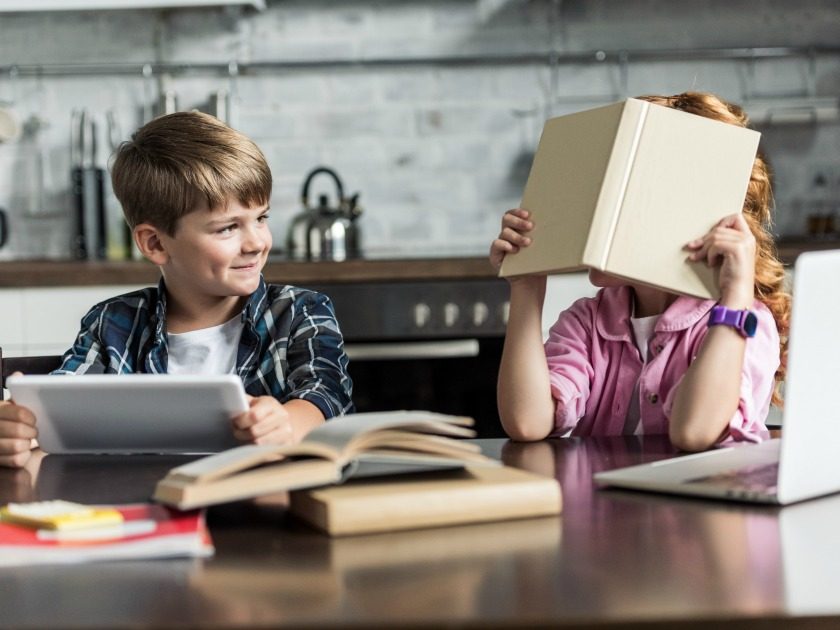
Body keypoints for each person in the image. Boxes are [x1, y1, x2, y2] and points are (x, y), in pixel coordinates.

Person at [0, 111, 353, 468]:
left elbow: (324, 393)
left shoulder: (299, 312)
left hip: (263, 510)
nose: (257, 243)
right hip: (139, 507)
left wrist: (285, 424)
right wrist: (20, 432)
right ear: (155, 243)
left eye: (261, 218)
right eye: (228, 228)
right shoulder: (112, 324)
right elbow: (58, 419)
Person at [489, 91, 790, 452]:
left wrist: (736, 301)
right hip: (605, 506)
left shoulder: (744, 323)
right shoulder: (588, 321)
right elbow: (527, 421)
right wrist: (526, 285)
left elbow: (695, 432)